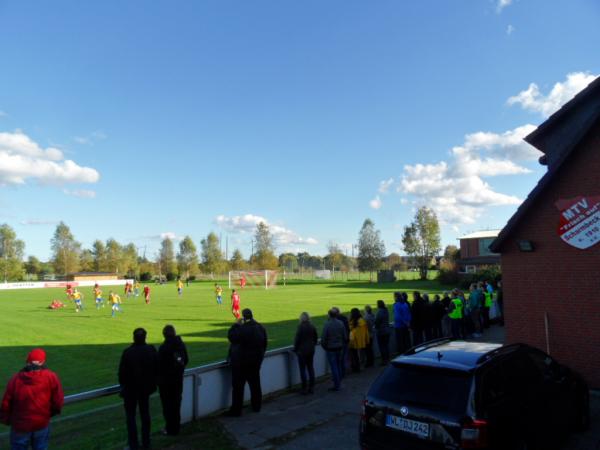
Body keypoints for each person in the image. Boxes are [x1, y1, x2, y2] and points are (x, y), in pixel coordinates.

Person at [1, 348, 64, 450]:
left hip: (20, 426)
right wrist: (49, 413)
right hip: (41, 423)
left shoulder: (15, 379)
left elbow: (6, 403)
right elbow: (58, 401)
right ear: (43, 362)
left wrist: (6, 420)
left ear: (28, 361)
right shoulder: (51, 377)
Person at [119, 328, 158, 450]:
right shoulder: (151, 350)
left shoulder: (128, 352)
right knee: (145, 415)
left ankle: (133, 444)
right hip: (145, 389)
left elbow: (121, 373)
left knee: (131, 417)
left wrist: (124, 386)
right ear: (145, 338)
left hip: (130, 390)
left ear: (133, 338)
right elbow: (157, 368)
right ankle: (146, 443)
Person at [226, 309, 268, 416]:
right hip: (255, 363)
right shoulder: (260, 327)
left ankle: (236, 410)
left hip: (241, 364)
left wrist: (236, 325)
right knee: (255, 386)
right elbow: (264, 345)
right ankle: (257, 406)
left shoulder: (242, 329)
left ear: (243, 318)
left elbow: (231, 336)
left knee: (238, 388)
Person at [158, 325, 188, 436]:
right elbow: (186, 360)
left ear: (164, 334)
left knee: (167, 405)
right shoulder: (181, 345)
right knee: (176, 403)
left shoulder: (163, 347)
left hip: (166, 381)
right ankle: (176, 428)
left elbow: (159, 365)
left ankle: (170, 429)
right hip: (177, 379)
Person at [321, 308, 346, 391]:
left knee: (334, 367)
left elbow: (323, 338)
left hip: (331, 348)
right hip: (339, 347)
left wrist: (325, 347)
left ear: (329, 315)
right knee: (338, 365)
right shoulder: (340, 323)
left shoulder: (327, 324)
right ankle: (339, 382)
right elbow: (344, 336)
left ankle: (337, 385)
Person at [293, 312, 318, 394]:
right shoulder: (312, 326)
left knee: (303, 369)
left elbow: (297, 340)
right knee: (310, 368)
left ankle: (304, 388)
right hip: (311, 350)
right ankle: (312, 387)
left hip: (302, 351)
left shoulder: (300, 327)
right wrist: (312, 345)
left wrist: (295, 349)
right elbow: (315, 338)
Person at [348, 308, 369, 373]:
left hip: (354, 341)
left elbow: (351, 330)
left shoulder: (353, 321)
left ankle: (356, 368)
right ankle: (360, 366)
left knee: (354, 355)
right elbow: (366, 331)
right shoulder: (362, 320)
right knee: (360, 354)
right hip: (362, 341)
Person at [332, 307, 350, 378]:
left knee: (338, 360)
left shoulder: (333, 321)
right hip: (344, 341)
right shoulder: (344, 318)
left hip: (338, 343)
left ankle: (339, 375)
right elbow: (347, 330)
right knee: (343, 358)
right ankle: (343, 373)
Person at [374, 300, 391, 365]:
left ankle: (384, 360)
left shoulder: (379, 312)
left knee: (382, 347)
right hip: (387, 330)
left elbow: (377, 322)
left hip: (381, 332)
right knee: (386, 346)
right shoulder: (386, 310)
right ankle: (387, 359)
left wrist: (375, 325)